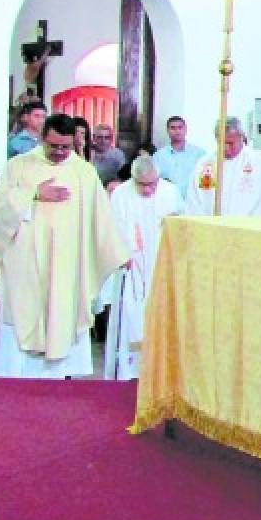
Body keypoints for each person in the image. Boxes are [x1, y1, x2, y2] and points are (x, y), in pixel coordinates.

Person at [0, 113, 128, 378]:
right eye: (54, 146)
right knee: (21, 313)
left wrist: (117, 252)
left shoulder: (84, 172)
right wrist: (32, 194)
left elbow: (101, 218)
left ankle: (57, 381)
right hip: (25, 262)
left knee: (62, 313)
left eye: (66, 146)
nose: (60, 152)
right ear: (43, 138)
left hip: (67, 261)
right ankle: (14, 380)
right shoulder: (19, 166)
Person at [104, 155, 183, 381]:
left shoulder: (171, 193)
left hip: (161, 266)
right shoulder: (121, 195)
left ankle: (160, 371)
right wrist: (123, 255)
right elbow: (112, 231)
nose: (148, 190)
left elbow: (181, 225)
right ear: (133, 179)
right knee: (131, 316)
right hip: (132, 269)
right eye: (142, 185)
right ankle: (129, 370)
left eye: (152, 184)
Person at [185, 117, 261, 216]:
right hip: (209, 224)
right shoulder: (204, 164)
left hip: (244, 224)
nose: (226, 148)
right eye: (221, 143)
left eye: (230, 143)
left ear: (241, 138)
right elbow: (194, 200)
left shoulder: (256, 163)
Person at [152, 116, 207, 199]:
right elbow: (154, 181)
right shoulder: (159, 156)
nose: (177, 131)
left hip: (193, 202)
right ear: (167, 130)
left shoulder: (199, 154)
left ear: (185, 129)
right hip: (168, 201)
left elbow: (206, 182)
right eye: (173, 128)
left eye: (180, 127)